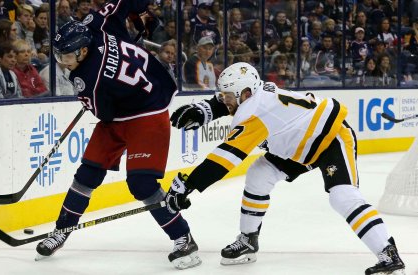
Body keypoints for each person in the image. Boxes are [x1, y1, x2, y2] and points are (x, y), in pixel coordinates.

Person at [165, 62, 406, 274]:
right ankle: (248, 239)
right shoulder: (257, 93)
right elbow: (228, 103)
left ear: (245, 94)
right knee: (259, 174)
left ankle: (388, 253)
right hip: (298, 145)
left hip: (331, 138)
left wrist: (188, 185)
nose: (224, 99)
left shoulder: (253, 114)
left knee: (342, 196)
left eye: (228, 95)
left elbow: (223, 160)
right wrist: (206, 110)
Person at [34, 0, 201, 270]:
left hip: (148, 113)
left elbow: (104, 114)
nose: (62, 61)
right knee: (87, 175)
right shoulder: (95, 26)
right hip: (130, 102)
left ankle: (183, 237)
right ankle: (61, 230)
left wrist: (93, 93)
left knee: (142, 185)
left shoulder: (88, 79)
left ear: (83, 50)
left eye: (66, 56)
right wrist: (141, 12)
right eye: (59, 55)